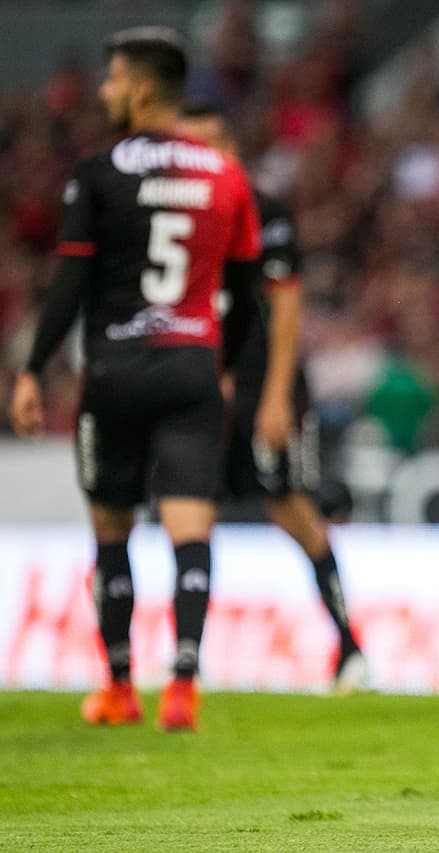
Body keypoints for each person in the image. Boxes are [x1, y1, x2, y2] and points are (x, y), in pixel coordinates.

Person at [6, 28, 262, 730]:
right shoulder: (224, 174)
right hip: (191, 370)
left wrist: (31, 369)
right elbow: (248, 298)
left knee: (112, 530)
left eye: (114, 79)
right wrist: (226, 367)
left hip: (114, 371)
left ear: (143, 89)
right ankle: (182, 683)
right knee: (190, 529)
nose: (104, 90)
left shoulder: (98, 171)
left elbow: (69, 284)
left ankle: (119, 686)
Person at [176, 104, 367, 694]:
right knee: (192, 515)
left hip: (267, 390)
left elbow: (285, 312)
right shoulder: (176, 220)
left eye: (209, 145)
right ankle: (188, 664)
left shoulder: (266, 213)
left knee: (293, 513)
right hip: (203, 390)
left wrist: (277, 396)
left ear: (230, 147)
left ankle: (350, 648)